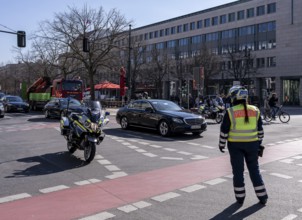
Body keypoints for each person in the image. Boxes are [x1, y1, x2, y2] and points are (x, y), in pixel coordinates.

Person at [219, 85, 268, 205]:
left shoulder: (230, 112)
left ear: (234, 97)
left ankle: (240, 198)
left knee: (238, 172)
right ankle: (263, 197)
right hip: (252, 146)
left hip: (235, 146)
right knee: (254, 170)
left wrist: (221, 145)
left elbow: (224, 131)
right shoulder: (255, 110)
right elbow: (260, 131)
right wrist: (258, 143)